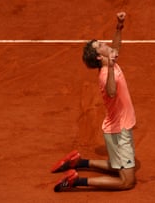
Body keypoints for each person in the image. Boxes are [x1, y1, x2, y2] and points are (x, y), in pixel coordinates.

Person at [51, 12, 137, 192]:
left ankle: (78, 162)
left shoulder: (109, 61)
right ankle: (77, 181)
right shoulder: (106, 73)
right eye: (100, 46)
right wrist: (112, 67)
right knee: (127, 181)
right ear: (99, 57)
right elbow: (112, 93)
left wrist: (119, 27)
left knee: (117, 167)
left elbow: (116, 47)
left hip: (116, 128)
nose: (104, 44)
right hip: (118, 132)